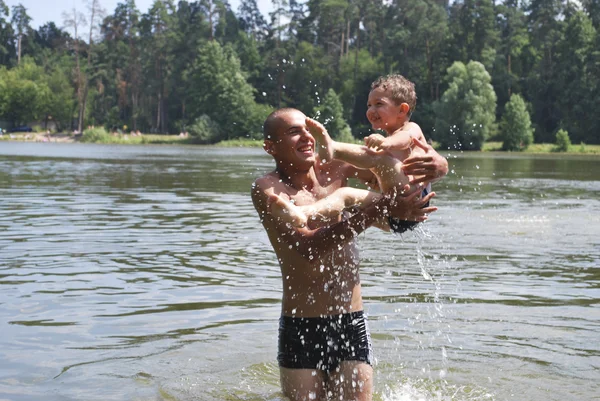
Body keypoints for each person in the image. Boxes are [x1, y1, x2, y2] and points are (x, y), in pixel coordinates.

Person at [251, 107, 448, 401]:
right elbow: (308, 249)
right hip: (302, 325)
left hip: (350, 322)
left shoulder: (337, 167)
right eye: (293, 131)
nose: (306, 136)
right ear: (270, 147)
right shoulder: (268, 189)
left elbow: (393, 168)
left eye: (307, 129)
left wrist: (439, 164)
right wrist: (376, 212)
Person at [269, 75, 438, 234]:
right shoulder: (389, 140)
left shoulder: (411, 128)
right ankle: (302, 214)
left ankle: (333, 148)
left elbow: (405, 138)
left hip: (414, 203)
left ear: (402, 110)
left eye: (379, 104)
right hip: (393, 213)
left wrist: (386, 143)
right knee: (346, 196)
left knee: (380, 160)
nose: (371, 110)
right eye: (369, 105)